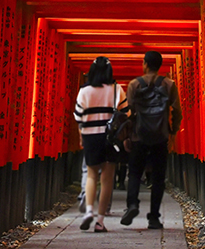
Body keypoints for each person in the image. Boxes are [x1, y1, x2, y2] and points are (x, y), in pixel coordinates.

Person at [119, 51, 182, 229]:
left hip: (139, 136)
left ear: (145, 64)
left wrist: (127, 137)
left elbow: (130, 114)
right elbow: (177, 111)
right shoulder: (169, 84)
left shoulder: (134, 85)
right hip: (160, 136)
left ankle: (132, 205)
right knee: (158, 177)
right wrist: (173, 131)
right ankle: (154, 217)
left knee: (134, 173)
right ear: (160, 65)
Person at [72, 56, 125, 232]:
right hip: (109, 138)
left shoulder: (84, 91)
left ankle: (88, 211)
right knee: (107, 179)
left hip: (90, 136)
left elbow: (78, 116)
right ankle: (100, 221)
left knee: (92, 175)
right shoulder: (117, 89)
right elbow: (126, 112)